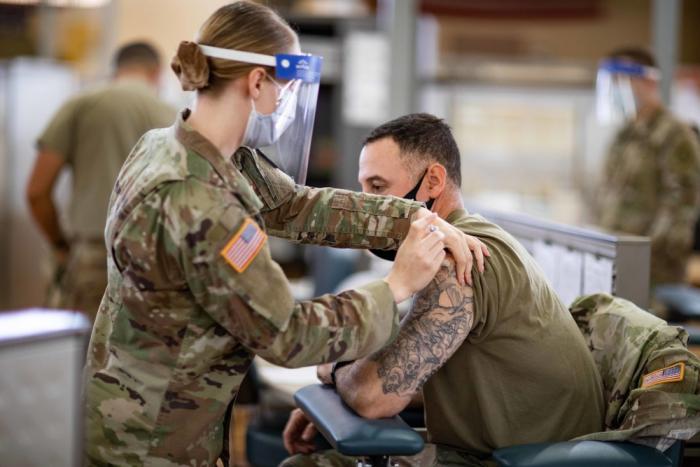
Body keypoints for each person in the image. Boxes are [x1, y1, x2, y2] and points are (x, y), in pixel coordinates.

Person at [82, 3, 488, 466]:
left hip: (148, 415)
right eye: (286, 89)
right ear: (256, 83)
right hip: (152, 440)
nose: (286, 105)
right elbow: (286, 334)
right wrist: (396, 286)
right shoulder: (202, 200)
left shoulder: (179, 147)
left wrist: (414, 219)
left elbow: (295, 206)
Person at [282, 114, 605, 467]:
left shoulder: (457, 260)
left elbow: (377, 397)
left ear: (433, 180)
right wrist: (341, 398)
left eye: (377, 188)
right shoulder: (472, 237)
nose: (368, 206)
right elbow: (412, 379)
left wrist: (336, 366)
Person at [26, 41, 176, 320]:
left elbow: (37, 192)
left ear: (115, 70)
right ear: (156, 72)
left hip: (94, 262)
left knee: (86, 358)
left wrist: (60, 245)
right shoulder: (173, 116)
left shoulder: (82, 104)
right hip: (157, 266)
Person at [595, 47, 700, 287]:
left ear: (649, 82)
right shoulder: (624, 135)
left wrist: (644, 257)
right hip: (613, 263)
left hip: (653, 271)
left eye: (621, 81)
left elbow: (681, 205)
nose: (615, 90)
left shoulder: (675, 134)